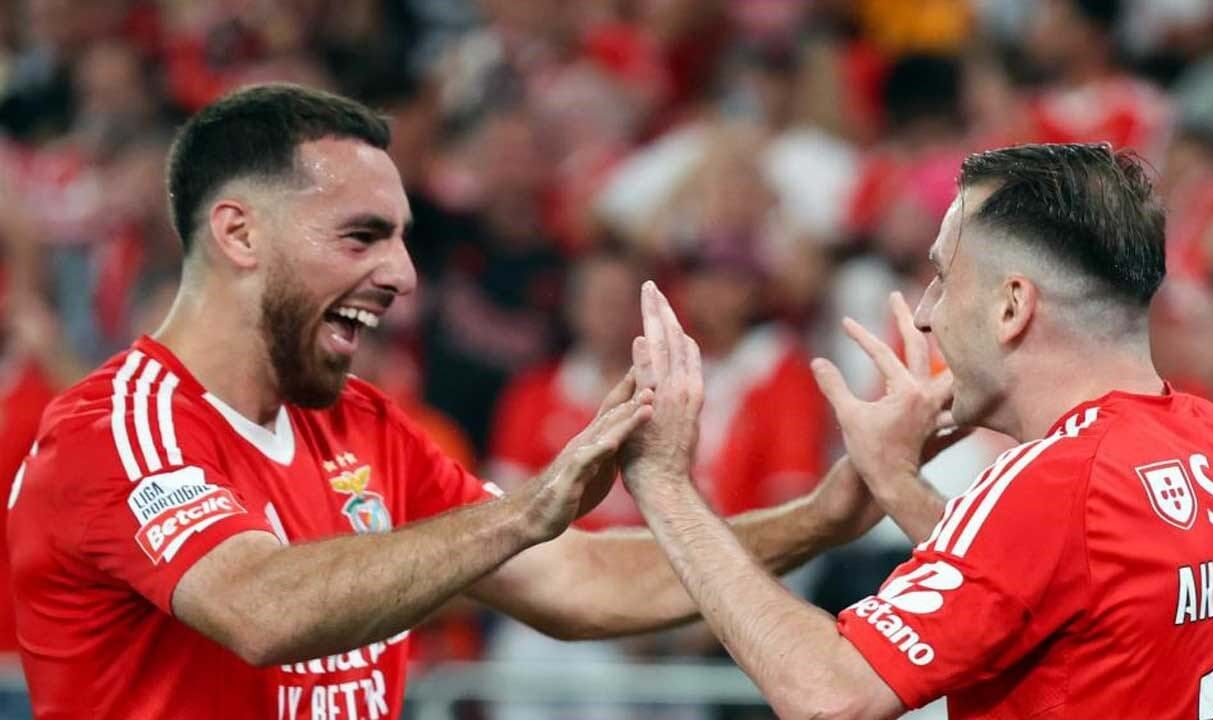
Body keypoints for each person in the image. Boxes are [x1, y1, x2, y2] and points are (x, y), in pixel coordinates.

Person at [6, 83, 885, 720]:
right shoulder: (118, 433)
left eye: (401, 239)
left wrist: (823, 517)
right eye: (362, 236)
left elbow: (578, 581)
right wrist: (526, 513)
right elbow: (258, 608)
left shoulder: (364, 427)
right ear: (240, 233)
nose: (401, 274)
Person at [621, 143, 1213, 718]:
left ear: (1012, 305)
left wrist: (664, 482)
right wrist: (893, 481)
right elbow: (1036, 583)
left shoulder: (1052, 480)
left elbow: (831, 696)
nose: (926, 314)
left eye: (941, 277)